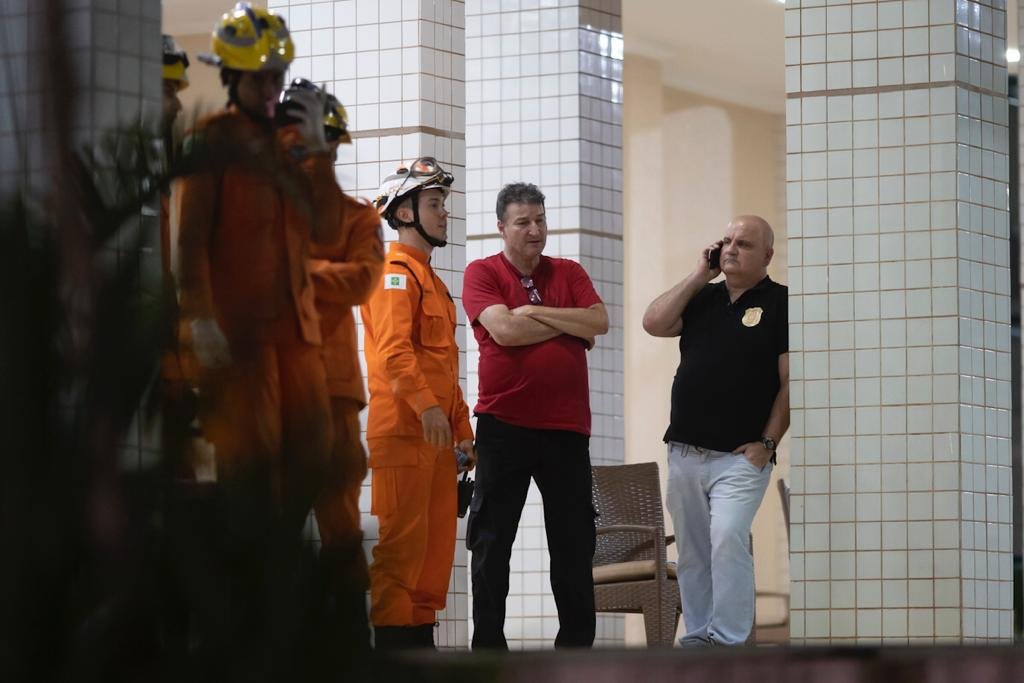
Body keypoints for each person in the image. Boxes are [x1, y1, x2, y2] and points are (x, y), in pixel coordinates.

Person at [172, 1, 343, 670]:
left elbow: (327, 229)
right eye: (261, 81)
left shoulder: (294, 149)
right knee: (248, 480)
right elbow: (188, 243)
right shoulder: (210, 141)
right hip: (236, 347)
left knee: (313, 464)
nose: (273, 92)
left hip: (296, 341)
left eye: (280, 79)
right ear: (233, 77)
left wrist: (322, 156)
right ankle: (238, 626)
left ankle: (278, 601)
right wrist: (201, 319)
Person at [462, 182, 609, 649]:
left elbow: (599, 321)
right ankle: (489, 649)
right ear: (502, 227)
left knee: (573, 543)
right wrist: (565, 320)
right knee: (492, 542)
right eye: (523, 222)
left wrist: (535, 313)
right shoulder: (481, 271)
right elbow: (504, 330)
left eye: (540, 220)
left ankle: (576, 654)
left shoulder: (569, 270)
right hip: (503, 425)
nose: (535, 230)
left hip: (567, 430)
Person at [642, 215, 789, 646]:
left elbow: (790, 383)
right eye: (726, 241)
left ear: (767, 255)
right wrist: (697, 275)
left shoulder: (781, 302)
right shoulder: (702, 298)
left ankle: (728, 641)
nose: (731, 249)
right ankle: (698, 640)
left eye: (743, 243)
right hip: (686, 452)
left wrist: (766, 444)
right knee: (693, 551)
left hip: (741, 457)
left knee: (727, 538)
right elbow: (654, 323)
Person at [361, 157, 475, 650]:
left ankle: (419, 653)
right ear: (403, 213)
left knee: (431, 558)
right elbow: (393, 354)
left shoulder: (434, 282)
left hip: (435, 438)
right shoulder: (392, 274)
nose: (444, 213)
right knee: (400, 551)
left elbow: (445, 368)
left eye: (443, 204)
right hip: (404, 432)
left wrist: (463, 431)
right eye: (434, 204)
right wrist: (428, 410)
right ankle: (391, 659)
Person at [302, 86, 384, 654]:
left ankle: (350, 648)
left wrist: (291, 271)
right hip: (264, 388)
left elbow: (360, 280)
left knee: (339, 524)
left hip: (330, 390)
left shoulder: (356, 218)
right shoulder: (257, 217)